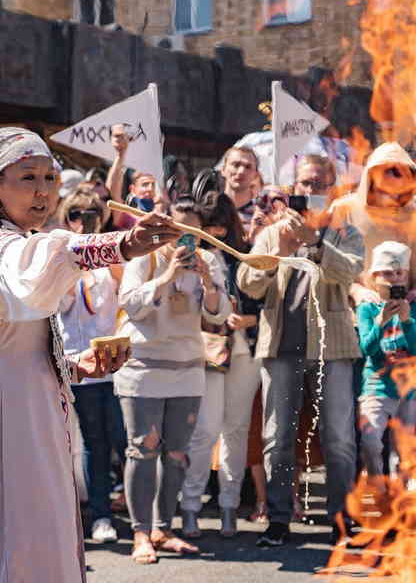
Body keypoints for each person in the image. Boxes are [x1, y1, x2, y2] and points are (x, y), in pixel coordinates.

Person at [0, 127, 180, 582]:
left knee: (19, 520)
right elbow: (42, 260)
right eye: (27, 178)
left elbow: (13, 332)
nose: (43, 191)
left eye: (49, 178)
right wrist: (122, 245)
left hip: (11, 394)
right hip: (5, 405)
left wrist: (72, 367)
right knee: (15, 525)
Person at [237, 155, 364, 547]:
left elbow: (351, 271)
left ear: (331, 188)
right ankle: (278, 518)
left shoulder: (344, 232)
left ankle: (342, 519)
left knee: (339, 436)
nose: (310, 191)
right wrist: (278, 255)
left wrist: (316, 245)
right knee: (277, 436)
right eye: (304, 184)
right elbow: (247, 282)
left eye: (318, 184)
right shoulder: (275, 232)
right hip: (281, 345)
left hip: (334, 345)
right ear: (294, 188)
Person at [115, 197, 231, 564]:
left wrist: (207, 282)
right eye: (174, 231)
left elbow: (221, 312)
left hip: (188, 368)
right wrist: (166, 278)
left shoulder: (208, 261)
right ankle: (140, 532)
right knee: (143, 449)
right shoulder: (143, 257)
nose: (181, 240)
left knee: (178, 453)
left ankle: (164, 528)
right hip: (144, 366)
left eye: (190, 233)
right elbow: (130, 303)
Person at [180, 192, 263, 539]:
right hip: (210, 350)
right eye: (206, 224)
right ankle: (191, 507)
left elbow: (268, 299)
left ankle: (229, 506)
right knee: (206, 429)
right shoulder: (199, 258)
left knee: (236, 429)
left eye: (219, 224)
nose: (214, 230)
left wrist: (248, 319)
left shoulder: (249, 253)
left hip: (246, 351)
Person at [55, 189, 125, 544]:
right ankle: (97, 515)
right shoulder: (63, 261)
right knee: (91, 444)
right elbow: (60, 300)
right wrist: (75, 257)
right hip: (78, 367)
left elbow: (126, 286)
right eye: (76, 214)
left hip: (116, 365)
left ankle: (129, 511)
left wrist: (99, 247)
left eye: (92, 214)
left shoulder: (112, 258)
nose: (84, 221)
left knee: (122, 441)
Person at [331, 142, 416, 306]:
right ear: (372, 176)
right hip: (354, 316)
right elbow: (328, 264)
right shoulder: (343, 210)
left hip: (404, 316)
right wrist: (356, 290)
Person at [356, 241, 416, 484]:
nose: (394, 279)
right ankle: (377, 484)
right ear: (374, 277)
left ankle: (398, 498)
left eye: (399, 273)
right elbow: (367, 348)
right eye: (387, 273)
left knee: (404, 452)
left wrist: (407, 321)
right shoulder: (367, 309)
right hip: (376, 386)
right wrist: (381, 322)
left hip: (406, 389)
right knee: (370, 440)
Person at [219, 146, 261, 226]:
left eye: (248, 167)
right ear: (223, 170)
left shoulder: (264, 215)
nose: (241, 171)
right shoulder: (210, 210)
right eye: (236, 165)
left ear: (256, 175)